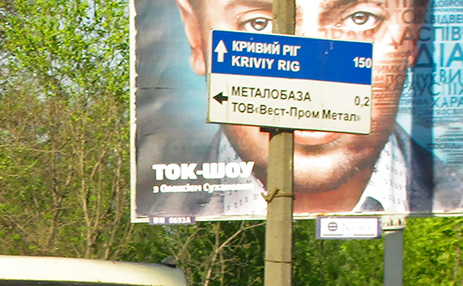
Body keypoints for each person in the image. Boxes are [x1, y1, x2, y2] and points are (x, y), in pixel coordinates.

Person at [170, 0, 463, 215]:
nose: (310, 77)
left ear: (412, 33)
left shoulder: (454, 198)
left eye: (360, 19)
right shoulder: (166, 206)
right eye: (259, 24)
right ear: (195, 34)